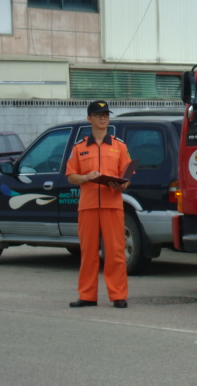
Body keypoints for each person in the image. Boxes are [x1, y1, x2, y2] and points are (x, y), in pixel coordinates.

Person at [65, 101, 130, 308]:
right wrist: (85, 177)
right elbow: (71, 176)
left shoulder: (120, 146)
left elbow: (127, 176)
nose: (103, 118)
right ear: (89, 118)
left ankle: (118, 295)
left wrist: (121, 185)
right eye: (98, 114)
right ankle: (87, 295)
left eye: (106, 114)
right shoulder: (79, 147)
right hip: (89, 206)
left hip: (112, 205)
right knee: (88, 253)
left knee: (116, 252)